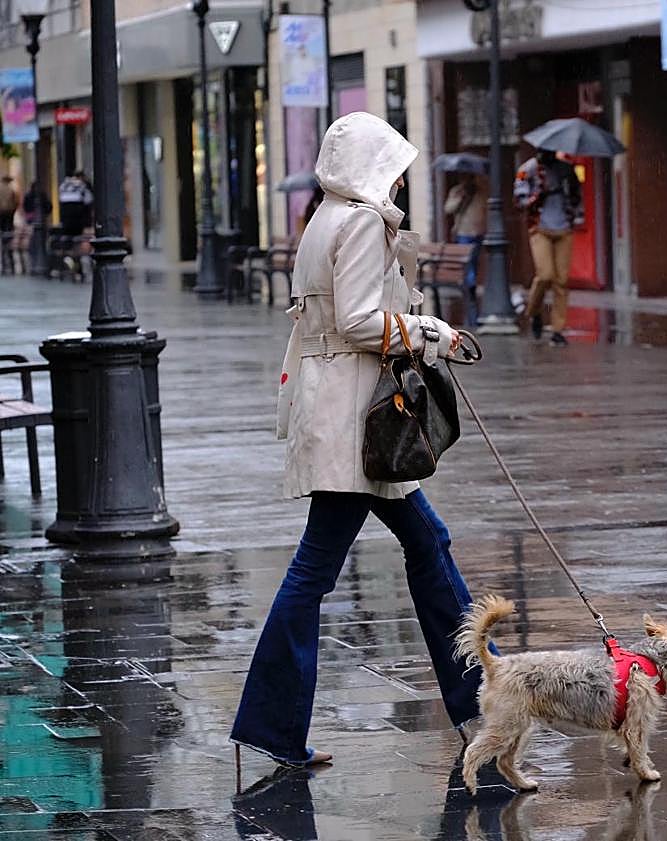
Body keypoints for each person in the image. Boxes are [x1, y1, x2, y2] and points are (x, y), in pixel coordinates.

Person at [230, 112, 486, 770]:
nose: (399, 178)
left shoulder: (325, 218)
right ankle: (477, 710)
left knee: (425, 544)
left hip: (342, 411)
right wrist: (434, 333)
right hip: (359, 421)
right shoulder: (365, 221)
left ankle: (478, 707)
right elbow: (360, 320)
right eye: (394, 166)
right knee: (318, 568)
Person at [513, 148, 583, 346]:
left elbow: (577, 194)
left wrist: (574, 209)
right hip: (540, 227)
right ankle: (533, 311)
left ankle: (558, 330)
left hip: (564, 228)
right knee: (545, 275)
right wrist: (537, 196)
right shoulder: (528, 169)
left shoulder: (567, 169)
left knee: (561, 281)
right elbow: (519, 200)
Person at [444, 172, 487, 327]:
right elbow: (448, 209)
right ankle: (469, 284)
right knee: (467, 266)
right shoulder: (457, 191)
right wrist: (460, 198)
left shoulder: (480, 192)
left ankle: (470, 284)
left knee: (473, 264)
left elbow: (483, 210)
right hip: (463, 233)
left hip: (477, 233)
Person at [58, 170, 94, 237]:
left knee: (68, 234)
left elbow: (60, 197)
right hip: (78, 214)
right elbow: (88, 200)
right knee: (79, 235)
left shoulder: (64, 185)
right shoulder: (82, 185)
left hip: (65, 214)